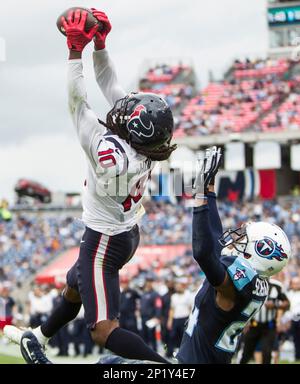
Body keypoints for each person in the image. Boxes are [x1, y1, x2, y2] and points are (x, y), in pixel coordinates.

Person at [6, 8, 175, 365]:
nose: (123, 107)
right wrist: (100, 46)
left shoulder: (109, 151)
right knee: (73, 285)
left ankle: (168, 368)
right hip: (127, 233)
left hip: (104, 241)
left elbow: (77, 103)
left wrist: (73, 51)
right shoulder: (143, 146)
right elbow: (111, 85)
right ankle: (38, 337)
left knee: (102, 329)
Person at [239, 278, 290, 364]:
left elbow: (287, 304)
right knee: (246, 353)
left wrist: (275, 305)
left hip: (269, 325)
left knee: (267, 351)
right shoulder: (251, 282)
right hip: (254, 324)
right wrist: (245, 322)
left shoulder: (277, 286)